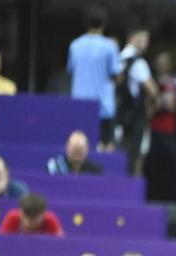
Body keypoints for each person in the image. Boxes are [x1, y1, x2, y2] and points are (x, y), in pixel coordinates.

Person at [68, 7, 120, 152]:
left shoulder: (74, 45)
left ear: (85, 23)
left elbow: (71, 71)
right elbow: (115, 74)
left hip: (79, 105)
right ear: (104, 24)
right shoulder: (110, 47)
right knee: (105, 148)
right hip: (104, 106)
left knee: (79, 147)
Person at [146, 51, 176, 200]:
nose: (162, 65)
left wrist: (172, 105)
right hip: (151, 131)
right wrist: (155, 105)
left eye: (165, 62)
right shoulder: (149, 80)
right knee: (152, 167)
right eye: (159, 62)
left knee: (175, 165)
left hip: (170, 131)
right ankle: (151, 197)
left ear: (171, 64)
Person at [117, 27, 158, 177]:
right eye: (143, 40)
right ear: (133, 39)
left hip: (118, 115)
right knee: (136, 157)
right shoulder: (138, 62)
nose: (145, 44)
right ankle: (132, 193)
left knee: (119, 153)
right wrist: (153, 106)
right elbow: (152, 90)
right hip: (135, 116)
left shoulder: (118, 58)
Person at [0, 193, 64, 236]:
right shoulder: (12, 217)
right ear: (21, 212)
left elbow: (60, 244)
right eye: (24, 217)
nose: (27, 223)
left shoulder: (50, 220)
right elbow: (1, 240)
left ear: (42, 215)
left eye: (33, 219)